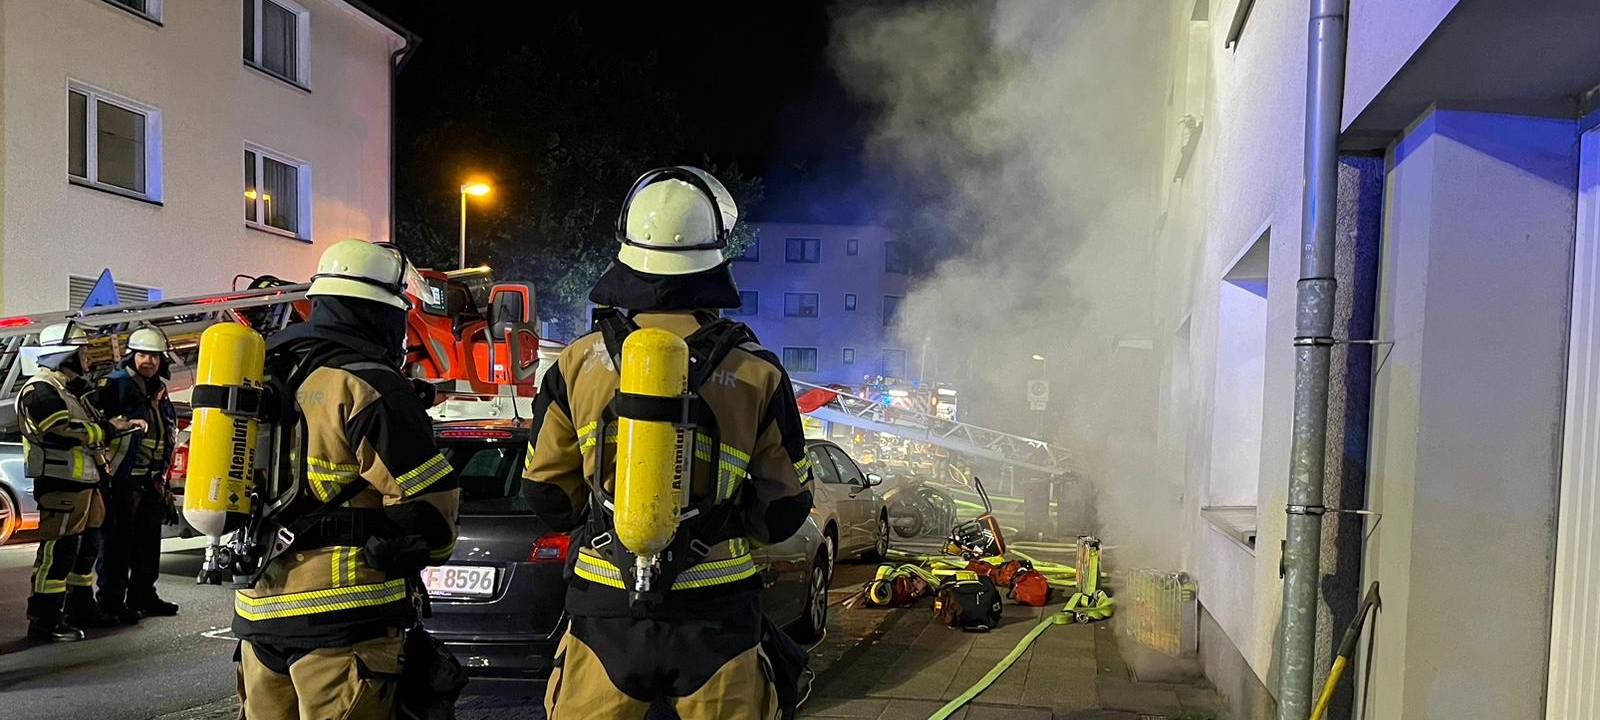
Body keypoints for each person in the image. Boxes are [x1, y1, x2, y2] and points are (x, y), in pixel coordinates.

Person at [526, 167, 814, 719]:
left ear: (627, 253)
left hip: (604, 610)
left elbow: (548, 499)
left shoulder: (576, 362)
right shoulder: (757, 372)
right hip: (717, 615)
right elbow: (784, 510)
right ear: (713, 262)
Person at [232, 239, 460, 719]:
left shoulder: (264, 373)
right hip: (344, 623)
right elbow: (431, 517)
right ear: (384, 314)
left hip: (257, 616)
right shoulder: (370, 384)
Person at [20, 323, 144, 642]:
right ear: (63, 356)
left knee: (85, 549)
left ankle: (80, 608)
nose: (86, 357)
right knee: (59, 552)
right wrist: (106, 430)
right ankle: (44, 620)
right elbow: (59, 429)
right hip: (60, 484)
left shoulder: (67, 392)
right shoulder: (40, 390)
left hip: (84, 483)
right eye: (81, 351)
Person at [95, 327, 181, 623]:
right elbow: (97, 420)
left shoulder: (157, 387)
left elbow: (166, 428)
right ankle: (110, 600)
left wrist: (163, 477)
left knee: (148, 541)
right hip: (123, 477)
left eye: (155, 356)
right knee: (117, 542)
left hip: (151, 477)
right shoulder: (115, 384)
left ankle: (143, 595)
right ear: (132, 355)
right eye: (143, 354)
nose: (149, 361)